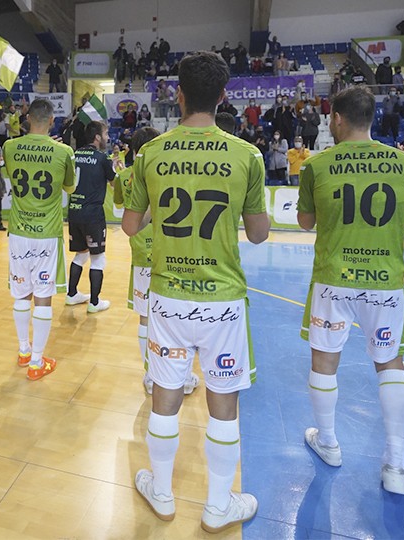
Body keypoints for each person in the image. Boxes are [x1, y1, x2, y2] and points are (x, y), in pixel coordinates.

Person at [122, 50, 269, 533]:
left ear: (177, 94)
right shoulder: (246, 155)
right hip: (222, 300)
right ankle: (218, 505)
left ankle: (161, 492)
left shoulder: (150, 153)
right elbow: (259, 233)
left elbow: (129, 225)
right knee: (222, 401)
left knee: (166, 391)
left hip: (167, 294)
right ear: (223, 95)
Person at [296, 86, 404, 495]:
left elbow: (305, 222)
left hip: (334, 279)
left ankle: (328, 441)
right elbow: (402, 223)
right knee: (390, 365)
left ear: (336, 119)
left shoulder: (318, 164)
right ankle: (396, 466)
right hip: (384, 282)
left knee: (324, 362)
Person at [113, 125, 198, 396]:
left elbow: (119, 208)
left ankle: (151, 376)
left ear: (134, 149)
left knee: (145, 318)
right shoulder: (173, 174)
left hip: (141, 256)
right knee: (179, 318)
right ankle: (182, 378)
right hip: (175, 255)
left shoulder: (125, 175)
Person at [2, 99, 76, 381]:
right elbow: (70, 186)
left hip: (19, 233)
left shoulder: (10, 147)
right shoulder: (64, 151)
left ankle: (23, 350)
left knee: (21, 294)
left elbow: (11, 172)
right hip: (46, 235)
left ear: (28, 117)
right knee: (43, 299)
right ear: (53, 120)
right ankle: (36, 362)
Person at [65, 120, 115, 313]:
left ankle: (72, 294)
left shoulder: (74, 155)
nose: (108, 137)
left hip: (74, 213)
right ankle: (95, 302)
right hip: (93, 215)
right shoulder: (102, 158)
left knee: (80, 254)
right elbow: (113, 184)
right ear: (97, 137)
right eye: (106, 133)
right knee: (98, 259)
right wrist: (116, 168)